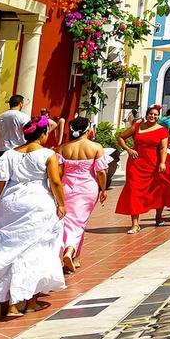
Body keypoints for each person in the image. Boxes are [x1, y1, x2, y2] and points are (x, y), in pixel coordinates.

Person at [0, 116, 65, 319]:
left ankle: (10, 304)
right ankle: (29, 301)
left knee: (10, 249)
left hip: (10, 203)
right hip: (37, 202)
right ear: (43, 134)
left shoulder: (10, 154)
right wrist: (62, 204)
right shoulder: (48, 154)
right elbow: (55, 182)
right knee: (36, 249)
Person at [56, 117, 109, 273]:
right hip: (87, 188)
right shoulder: (96, 147)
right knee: (80, 222)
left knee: (66, 221)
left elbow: (59, 172)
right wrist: (103, 189)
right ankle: (70, 250)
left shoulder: (63, 148)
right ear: (88, 129)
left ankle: (73, 256)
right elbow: (101, 172)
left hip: (67, 186)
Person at [115, 105, 170, 234]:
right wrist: (129, 150)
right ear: (147, 114)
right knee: (134, 191)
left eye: (155, 115)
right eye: (151, 114)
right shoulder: (137, 126)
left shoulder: (162, 130)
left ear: (158, 116)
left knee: (158, 190)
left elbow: (163, 148)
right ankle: (135, 224)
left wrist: (163, 163)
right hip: (136, 164)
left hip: (154, 164)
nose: (153, 116)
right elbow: (120, 137)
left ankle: (158, 216)